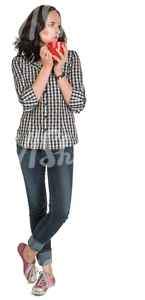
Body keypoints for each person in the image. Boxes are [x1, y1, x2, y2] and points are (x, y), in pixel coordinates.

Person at [12, 5, 86, 296]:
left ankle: (28, 252)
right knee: (37, 208)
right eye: (49, 25)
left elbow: (78, 103)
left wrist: (58, 71)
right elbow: (28, 101)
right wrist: (44, 67)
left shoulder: (72, 58)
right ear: (36, 28)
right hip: (28, 143)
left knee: (60, 211)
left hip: (61, 143)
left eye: (58, 25)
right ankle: (48, 273)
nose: (55, 30)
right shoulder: (20, 62)